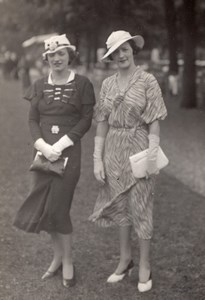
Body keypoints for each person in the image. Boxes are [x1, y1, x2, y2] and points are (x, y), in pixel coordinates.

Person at [13, 34, 95, 288]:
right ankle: (58, 257)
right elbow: (32, 120)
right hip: (42, 154)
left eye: (61, 53)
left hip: (68, 153)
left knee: (59, 209)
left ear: (70, 55)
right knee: (46, 209)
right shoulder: (38, 85)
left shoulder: (82, 84)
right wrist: (42, 146)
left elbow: (85, 120)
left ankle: (68, 260)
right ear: (46, 58)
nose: (56, 58)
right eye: (52, 55)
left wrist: (59, 146)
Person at [89, 30, 167, 292]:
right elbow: (101, 122)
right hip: (113, 147)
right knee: (119, 205)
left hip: (139, 147)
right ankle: (125, 260)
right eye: (115, 52)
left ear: (133, 49)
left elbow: (155, 120)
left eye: (125, 49)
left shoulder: (147, 81)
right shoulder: (108, 84)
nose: (121, 55)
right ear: (111, 57)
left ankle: (144, 264)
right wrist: (96, 159)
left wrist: (153, 155)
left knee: (141, 206)